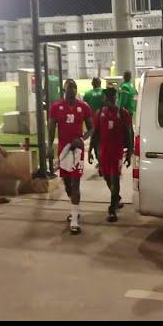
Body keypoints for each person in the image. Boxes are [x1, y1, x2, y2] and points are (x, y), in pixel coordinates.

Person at [49, 79, 93, 235]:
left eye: (74, 88)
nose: (72, 90)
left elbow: (91, 129)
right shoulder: (56, 107)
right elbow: (51, 127)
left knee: (75, 183)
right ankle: (74, 207)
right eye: (69, 88)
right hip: (63, 150)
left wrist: (81, 139)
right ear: (64, 90)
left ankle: (74, 219)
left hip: (77, 151)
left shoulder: (84, 107)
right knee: (67, 183)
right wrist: (49, 146)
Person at [89, 87, 132, 222]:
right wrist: (90, 150)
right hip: (103, 153)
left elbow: (129, 133)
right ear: (104, 99)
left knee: (115, 179)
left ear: (116, 98)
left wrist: (129, 152)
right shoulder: (100, 113)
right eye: (108, 99)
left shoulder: (123, 113)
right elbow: (95, 133)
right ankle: (116, 198)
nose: (111, 101)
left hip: (117, 153)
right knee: (107, 178)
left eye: (113, 98)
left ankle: (112, 209)